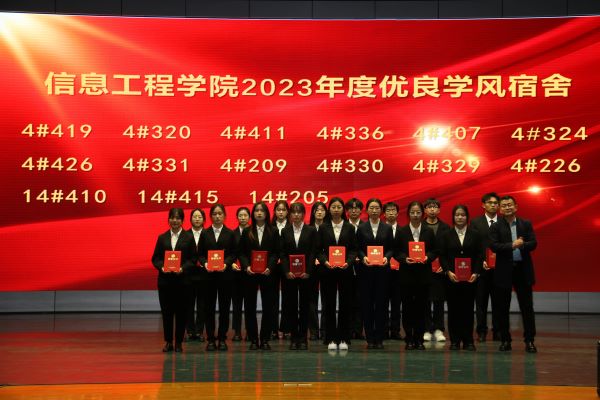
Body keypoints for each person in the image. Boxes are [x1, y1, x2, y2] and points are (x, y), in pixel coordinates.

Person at [490, 195, 538, 353]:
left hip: (522, 270)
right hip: (504, 271)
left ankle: (529, 341)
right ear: (500, 209)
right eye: (504, 205)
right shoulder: (496, 226)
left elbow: (533, 243)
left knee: (527, 307)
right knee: (502, 308)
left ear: (516, 206)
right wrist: (512, 245)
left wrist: (522, 245)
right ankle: (505, 340)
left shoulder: (525, 223)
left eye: (510, 205)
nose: (507, 207)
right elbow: (494, 246)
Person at [439, 205, 483, 351]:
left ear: (467, 217)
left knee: (468, 310)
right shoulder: (446, 234)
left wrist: (476, 272)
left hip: (470, 279)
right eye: (457, 215)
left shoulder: (475, 234)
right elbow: (442, 255)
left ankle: (468, 340)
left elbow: (480, 255)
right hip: (452, 279)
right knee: (453, 310)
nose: (460, 217)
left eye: (463, 215)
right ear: (453, 217)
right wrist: (447, 271)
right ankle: (455, 341)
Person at [151, 208, 195, 353]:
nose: (174, 221)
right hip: (165, 282)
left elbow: (193, 259)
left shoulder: (189, 237)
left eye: (178, 218)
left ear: (182, 221)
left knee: (181, 313)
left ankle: (179, 343)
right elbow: (155, 258)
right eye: (172, 218)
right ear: (168, 219)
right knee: (167, 313)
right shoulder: (162, 237)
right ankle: (168, 342)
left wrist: (182, 268)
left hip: (183, 282)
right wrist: (162, 267)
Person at [394, 201, 437, 350]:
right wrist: (404, 259)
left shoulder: (428, 231)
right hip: (406, 275)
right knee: (407, 308)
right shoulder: (402, 231)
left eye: (418, 212)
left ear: (422, 214)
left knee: (421, 307)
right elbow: (396, 252)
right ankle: (409, 338)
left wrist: (427, 257)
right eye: (412, 212)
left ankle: (419, 338)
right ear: (408, 214)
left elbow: (434, 250)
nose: (415, 215)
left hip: (423, 275)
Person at [317, 197, 358, 351]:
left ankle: (344, 337)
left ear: (343, 210)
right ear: (329, 209)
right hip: (328, 271)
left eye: (339, 207)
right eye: (333, 207)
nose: (336, 209)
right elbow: (318, 250)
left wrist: (348, 262)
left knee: (345, 304)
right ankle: (330, 338)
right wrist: (325, 261)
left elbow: (354, 249)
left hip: (345, 271)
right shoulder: (323, 227)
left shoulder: (349, 227)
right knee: (329, 304)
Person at [239, 202, 278, 350]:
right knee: (250, 307)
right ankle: (254, 339)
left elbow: (276, 253)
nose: (259, 213)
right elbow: (241, 253)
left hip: (268, 274)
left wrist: (270, 267)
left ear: (266, 213)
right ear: (253, 214)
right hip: (250, 274)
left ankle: (265, 339)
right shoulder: (246, 231)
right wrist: (246, 266)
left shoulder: (273, 231)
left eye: (262, 210)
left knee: (268, 307)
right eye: (256, 210)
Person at [357, 198, 395, 349]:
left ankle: (379, 338)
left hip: (382, 272)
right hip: (366, 271)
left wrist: (387, 257)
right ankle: (370, 338)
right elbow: (358, 248)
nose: (374, 210)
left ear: (381, 211)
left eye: (377, 208)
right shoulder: (361, 228)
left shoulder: (387, 228)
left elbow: (391, 248)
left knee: (381, 304)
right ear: (367, 210)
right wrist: (363, 257)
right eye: (371, 208)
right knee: (366, 305)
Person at [280, 202, 318, 350]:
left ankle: (303, 338)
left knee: (304, 306)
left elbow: (313, 252)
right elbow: (283, 254)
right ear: (290, 214)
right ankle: (294, 337)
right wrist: (286, 271)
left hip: (306, 275)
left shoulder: (311, 230)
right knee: (291, 306)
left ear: (303, 214)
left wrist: (308, 271)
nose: (296, 215)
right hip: (290, 275)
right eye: (293, 212)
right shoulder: (285, 231)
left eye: (299, 212)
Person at [198, 204, 237, 351]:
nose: (217, 216)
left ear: (224, 216)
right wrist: (205, 263)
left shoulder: (230, 233)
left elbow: (234, 254)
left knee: (224, 309)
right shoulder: (204, 233)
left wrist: (226, 263)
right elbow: (200, 254)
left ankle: (222, 338)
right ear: (210, 217)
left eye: (220, 213)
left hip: (225, 277)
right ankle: (210, 339)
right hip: (208, 277)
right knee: (209, 308)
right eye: (214, 214)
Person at [470, 192, 501, 342]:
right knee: (480, 303)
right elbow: (473, 245)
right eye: (490, 202)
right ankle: (481, 331)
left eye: (495, 203)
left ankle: (498, 331)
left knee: (498, 302)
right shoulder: (476, 223)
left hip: (500, 269)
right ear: (483, 205)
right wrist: (482, 260)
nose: (493, 205)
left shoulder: (503, 222)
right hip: (481, 269)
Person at [422, 198, 450, 343]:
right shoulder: (420, 226)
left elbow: (449, 249)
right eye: (429, 207)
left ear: (439, 210)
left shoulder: (446, 227)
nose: (432, 209)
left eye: (435, 207)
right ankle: (426, 329)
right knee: (425, 300)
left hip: (440, 270)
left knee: (439, 301)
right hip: (424, 268)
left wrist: (445, 266)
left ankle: (439, 329)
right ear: (425, 210)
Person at [345, 197, 365, 341]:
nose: (354, 210)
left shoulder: (365, 226)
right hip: (346, 267)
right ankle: (348, 329)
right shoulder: (343, 226)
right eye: (351, 208)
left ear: (361, 210)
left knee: (360, 300)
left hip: (363, 267)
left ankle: (358, 330)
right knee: (347, 300)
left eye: (356, 208)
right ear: (347, 211)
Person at [186, 208, 207, 342]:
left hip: (204, 274)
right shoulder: (185, 235)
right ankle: (189, 331)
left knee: (202, 304)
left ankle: (199, 331)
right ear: (190, 219)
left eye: (200, 217)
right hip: (188, 274)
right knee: (188, 304)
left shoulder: (208, 234)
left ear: (204, 219)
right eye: (195, 217)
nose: (197, 219)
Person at [384, 201, 403, 341]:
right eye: (388, 210)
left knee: (397, 302)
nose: (391, 213)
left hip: (399, 272)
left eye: (393, 210)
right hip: (382, 270)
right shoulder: (380, 229)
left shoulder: (403, 231)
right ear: (384, 213)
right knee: (382, 302)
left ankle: (395, 330)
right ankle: (383, 330)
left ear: (397, 213)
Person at [271, 200, 290, 340]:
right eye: (278, 209)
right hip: (271, 266)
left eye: (283, 209)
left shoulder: (292, 227)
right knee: (272, 298)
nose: (281, 212)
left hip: (287, 266)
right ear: (274, 212)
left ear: (287, 212)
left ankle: (286, 328)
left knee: (287, 297)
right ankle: (273, 328)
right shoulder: (269, 227)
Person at [231, 207, 250, 342]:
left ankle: (250, 330)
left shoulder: (253, 232)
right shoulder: (232, 234)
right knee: (236, 304)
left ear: (249, 217)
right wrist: (232, 263)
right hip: (235, 274)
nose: (243, 218)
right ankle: (237, 331)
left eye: (245, 215)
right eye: (240, 215)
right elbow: (229, 252)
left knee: (249, 304)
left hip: (249, 273)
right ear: (237, 217)